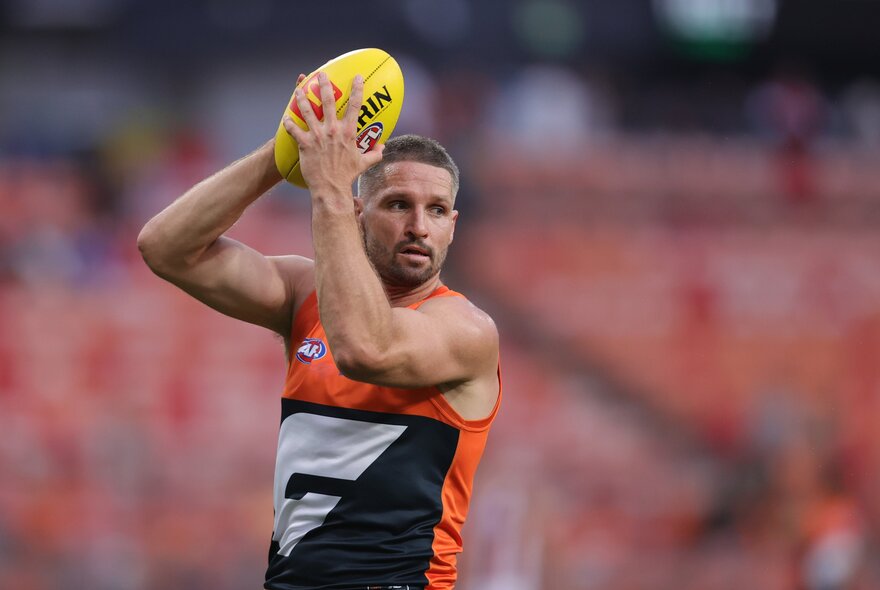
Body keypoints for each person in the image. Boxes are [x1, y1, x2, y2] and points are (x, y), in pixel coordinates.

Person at [137, 72, 501, 590]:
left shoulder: (466, 329)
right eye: (398, 204)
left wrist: (328, 185)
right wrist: (289, 147)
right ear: (359, 213)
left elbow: (363, 347)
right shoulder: (306, 293)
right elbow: (166, 247)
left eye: (436, 210)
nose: (419, 225)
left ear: (453, 225)